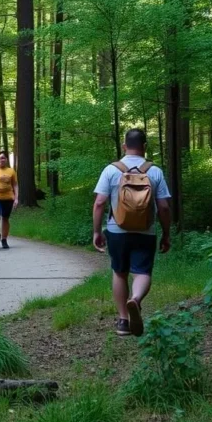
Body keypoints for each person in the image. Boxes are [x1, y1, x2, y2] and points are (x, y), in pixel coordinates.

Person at [92, 129, 172, 337]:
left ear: (124, 146)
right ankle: (135, 299)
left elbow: (100, 202)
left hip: (116, 230)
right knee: (142, 272)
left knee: (119, 272)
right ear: (145, 147)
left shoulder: (111, 170)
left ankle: (123, 321)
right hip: (146, 231)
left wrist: (96, 232)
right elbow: (163, 207)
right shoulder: (154, 171)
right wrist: (166, 233)